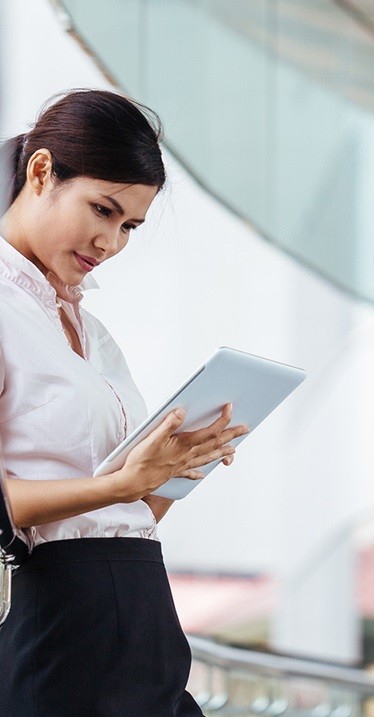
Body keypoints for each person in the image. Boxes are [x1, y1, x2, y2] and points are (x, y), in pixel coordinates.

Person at [0, 89, 247, 715]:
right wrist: (121, 486)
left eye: (129, 226)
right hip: (53, 632)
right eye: (103, 210)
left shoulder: (92, 333)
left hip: (142, 627)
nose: (110, 241)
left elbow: (115, 511)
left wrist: (168, 475)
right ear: (40, 172)